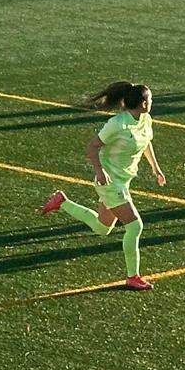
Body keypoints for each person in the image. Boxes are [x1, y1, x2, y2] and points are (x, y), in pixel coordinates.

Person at [40, 82, 166, 291]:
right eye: (151, 99)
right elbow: (92, 146)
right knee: (135, 226)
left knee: (102, 228)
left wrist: (156, 169)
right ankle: (133, 276)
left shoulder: (146, 119)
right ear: (143, 103)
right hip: (110, 182)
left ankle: (62, 202)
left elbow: (146, 142)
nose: (153, 102)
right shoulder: (117, 124)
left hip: (123, 181)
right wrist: (99, 171)